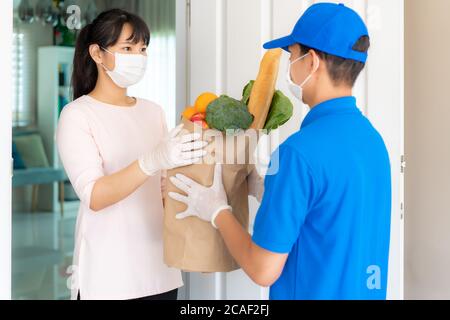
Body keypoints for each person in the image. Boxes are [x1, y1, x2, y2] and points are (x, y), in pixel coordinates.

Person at [169, 3, 392, 300]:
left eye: (293, 55)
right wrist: (269, 189)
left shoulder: (298, 152)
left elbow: (263, 269)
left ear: (311, 61)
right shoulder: (374, 143)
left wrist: (216, 210)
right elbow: (330, 217)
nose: (290, 65)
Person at [56, 9, 207, 300]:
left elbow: (164, 192)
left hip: (159, 270)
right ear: (97, 54)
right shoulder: (77, 115)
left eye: (142, 49)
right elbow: (94, 196)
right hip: (108, 275)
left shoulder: (153, 111)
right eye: (127, 48)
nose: (138, 57)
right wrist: (151, 162)